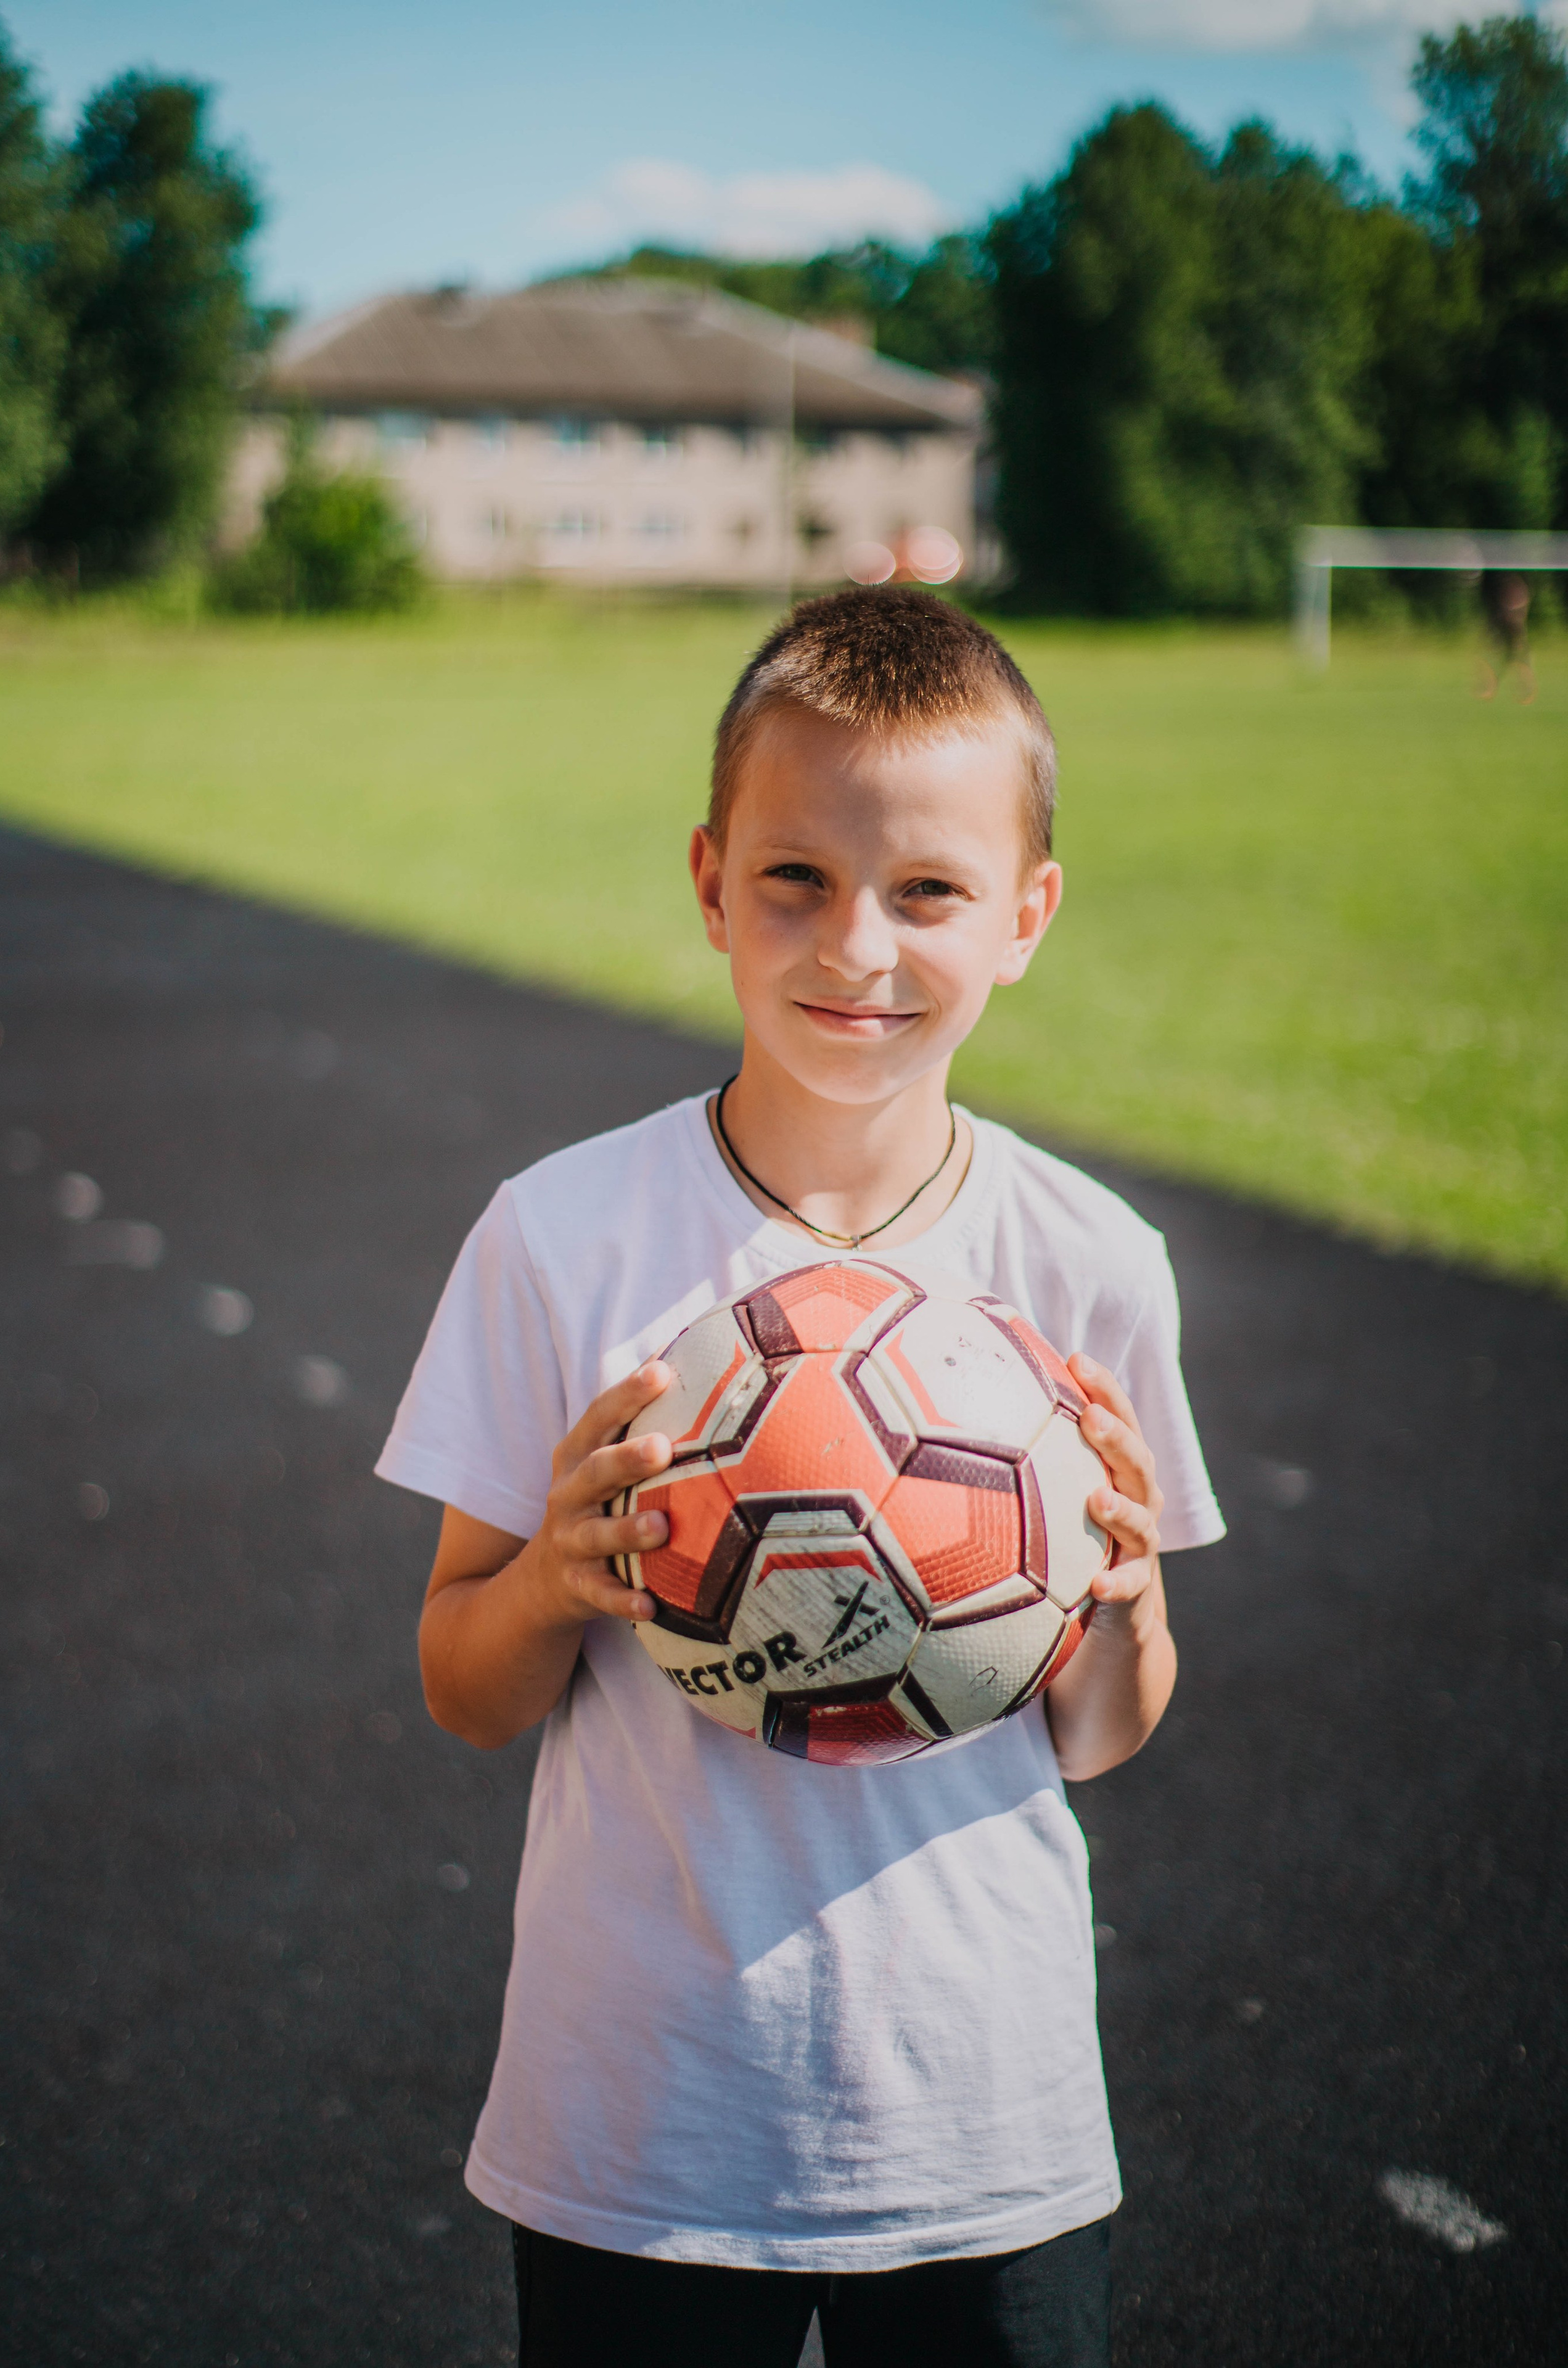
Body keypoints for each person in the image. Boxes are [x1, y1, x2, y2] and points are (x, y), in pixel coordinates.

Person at [377, 588, 1225, 2367]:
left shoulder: (1086, 1267)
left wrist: (1122, 1610)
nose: (858, 945)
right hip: (648, 2124)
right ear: (709, 884)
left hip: (981, 2121)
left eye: (928, 891)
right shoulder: (565, 1240)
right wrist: (554, 1576)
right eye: (796, 881)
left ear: (1026, 918)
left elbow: (1110, 1730)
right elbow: (465, 1685)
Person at [1476, 572, 1537, 705]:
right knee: (1505, 648)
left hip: (1508, 602)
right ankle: (1493, 685)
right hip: (1504, 601)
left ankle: (1524, 688)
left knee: (1516, 647)